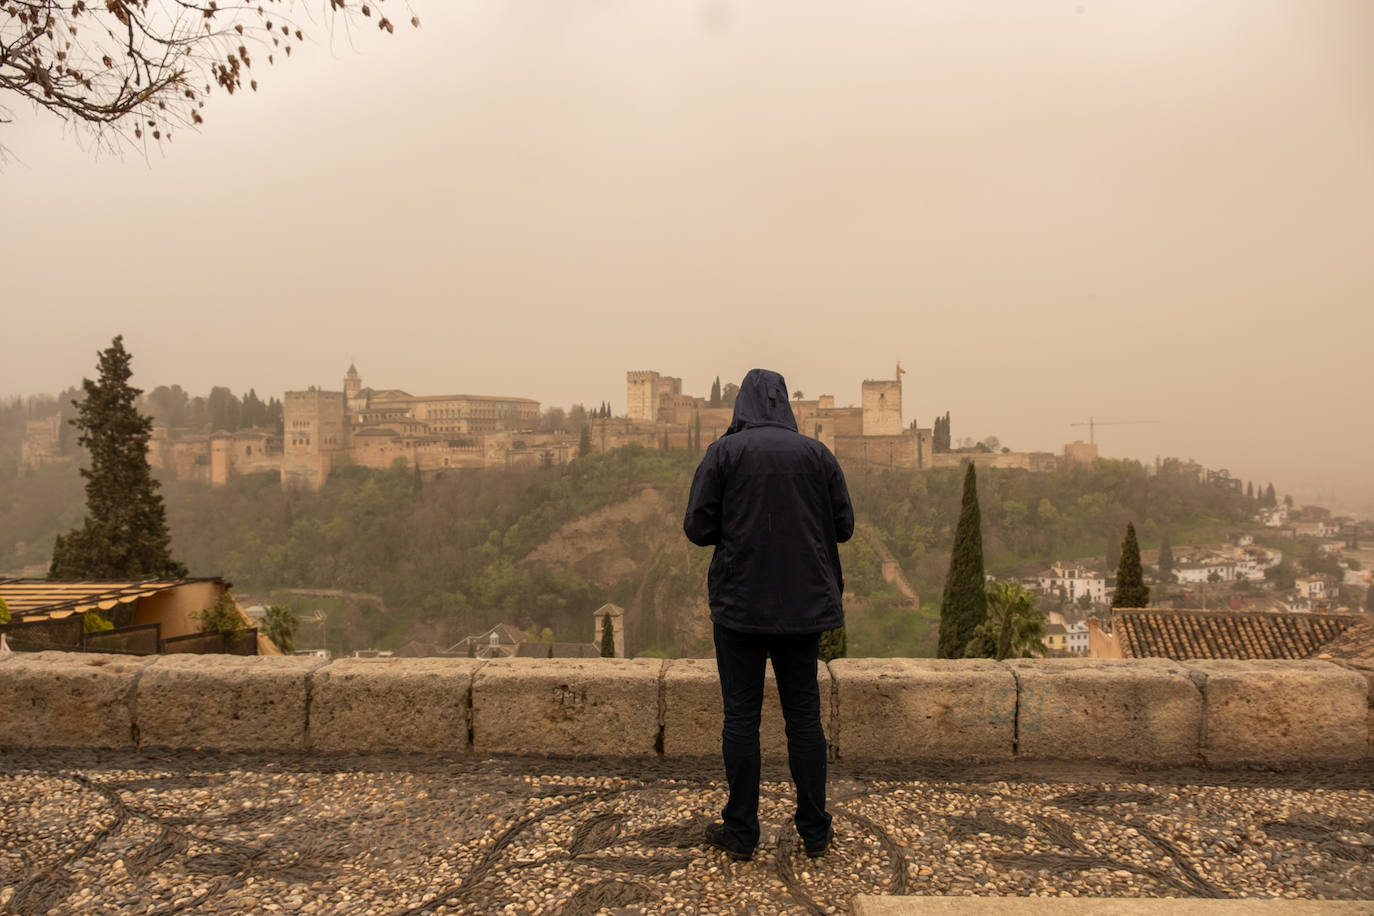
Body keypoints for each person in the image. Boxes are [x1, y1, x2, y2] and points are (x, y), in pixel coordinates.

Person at [683, 368, 854, 862]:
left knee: (741, 717)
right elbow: (843, 527)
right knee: (804, 717)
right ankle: (816, 831)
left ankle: (740, 832)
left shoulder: (724, 453)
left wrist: (739, 527)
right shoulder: (817, 455)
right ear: (785, 404)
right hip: (804, 606)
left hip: (740, 604)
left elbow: (698, 528)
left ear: (743, 405)